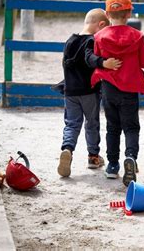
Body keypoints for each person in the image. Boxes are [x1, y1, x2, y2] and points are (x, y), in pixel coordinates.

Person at [91, 0, 144, 186]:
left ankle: (113, 166)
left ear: (107, 15)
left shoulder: (99, 36)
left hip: (109, 89)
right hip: (130, 89)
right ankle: (131, 157)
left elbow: (98, 60)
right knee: (131, 127)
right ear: (129, 14)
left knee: (112, 127)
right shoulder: (138, 36)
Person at [57, 9, 122, 178]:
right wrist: (104, 63)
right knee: (91, 123)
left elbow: (64, 63)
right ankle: (93, 157)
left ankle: (67, 149)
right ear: (101, 25)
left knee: (71, 124)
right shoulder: (92, 41)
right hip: (88, 92)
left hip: (70, 91)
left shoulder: (70, 40)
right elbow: (91, 60)